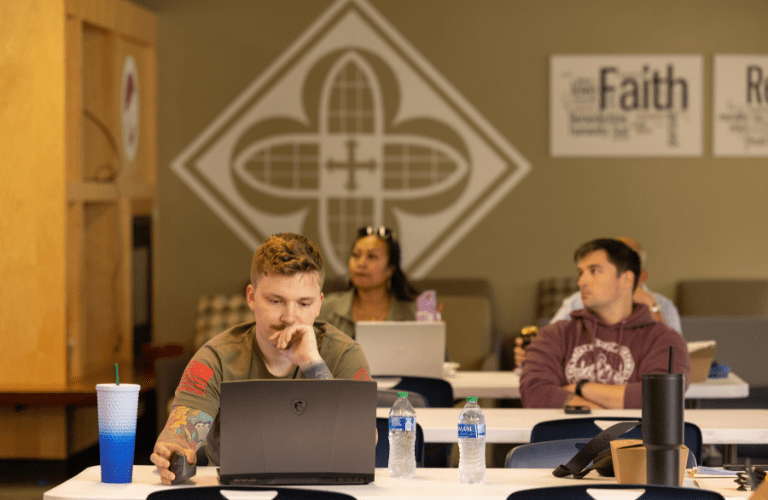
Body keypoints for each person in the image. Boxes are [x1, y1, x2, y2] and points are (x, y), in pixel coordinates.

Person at [151, 233, 373, 485]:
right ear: (251, 297)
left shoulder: (345, 353)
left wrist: (314, 365)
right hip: (238, 494)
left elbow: (363, 441)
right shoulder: (214, 358)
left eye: (303, 303)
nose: (289, 317)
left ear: (319, 304)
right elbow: (181, 435)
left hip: (326, 491)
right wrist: (174, 448)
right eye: (276, 301)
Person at [519, 238, 690, 409]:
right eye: (581, 273)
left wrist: (580, 388)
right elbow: (534, 393)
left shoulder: (666, 340)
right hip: (568, 436)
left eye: (594, 271)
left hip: (635, 437)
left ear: (627, 279)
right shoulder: (554, 334)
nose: (581, 282)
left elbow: (662, 396)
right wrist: (603, 415)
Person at [317, 226, 419, 338]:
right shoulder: (323, 309)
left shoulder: (414, 313)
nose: (361, 263)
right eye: (355, 255)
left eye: (372, 256)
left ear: (390, 268)